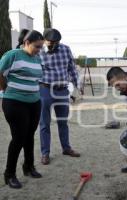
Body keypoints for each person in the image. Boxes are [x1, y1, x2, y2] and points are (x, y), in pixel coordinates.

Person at [0, 30, 44, 189]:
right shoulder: (12, 55)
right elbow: (0, 72)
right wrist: (5, 88)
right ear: (26, 42)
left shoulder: (37, 58)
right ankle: (9, 174)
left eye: (41, 47)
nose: (39, 50)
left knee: (30, 135)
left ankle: (29, 167)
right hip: (15, 102)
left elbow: (37, 77)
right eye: (37, 46)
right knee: (18, 137)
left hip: (34, 101)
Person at [39, 28, 80, 165]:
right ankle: (45, 153)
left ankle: (66, 148)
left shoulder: (66, 49)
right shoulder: (38, 51)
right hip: (45, 89)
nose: (54, 46)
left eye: (56, 43)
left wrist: (77, 85)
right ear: (44, 40)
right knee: (44, 123)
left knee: (63, 122)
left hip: (62, 91)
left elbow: (72, 68)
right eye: (51, 43)